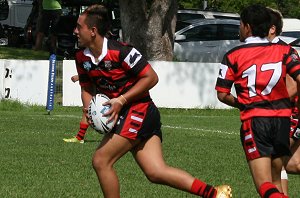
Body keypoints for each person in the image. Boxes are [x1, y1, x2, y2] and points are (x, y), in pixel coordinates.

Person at [73, 4, 232, 198]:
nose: (75, 31)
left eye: (79, 27)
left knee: (101, 160)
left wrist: (121, 100)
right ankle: (214, 194)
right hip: (123, 114)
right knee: (155, 172)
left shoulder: (121, 51)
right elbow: (87, 86)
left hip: (138, 110)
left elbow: (151, 77)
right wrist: (89, 109)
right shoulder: (81, 57)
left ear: (93, 31)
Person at [215, 4, 300, 198]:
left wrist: (240, 103)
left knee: (264, 184)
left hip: (255, 121)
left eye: (240, 24)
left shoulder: (233, 55)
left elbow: (222, 94)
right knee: (277, 180)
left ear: (247, 27)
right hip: (282, 121)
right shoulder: (284, 51)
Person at [267, 7, 300, 196]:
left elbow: (295, 86)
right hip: (279, 115)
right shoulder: (264, 50)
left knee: (275, 160)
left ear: (271, 28)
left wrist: (266, 105)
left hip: (290, 115)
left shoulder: (285, 51)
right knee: (291, 163)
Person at [63, 75, 89, 144]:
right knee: (86, 110)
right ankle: (80, 137)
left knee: (87, 110)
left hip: (91, 85)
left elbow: (96, 70)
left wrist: (79, 76)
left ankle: (80, 137)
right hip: (89, 85)